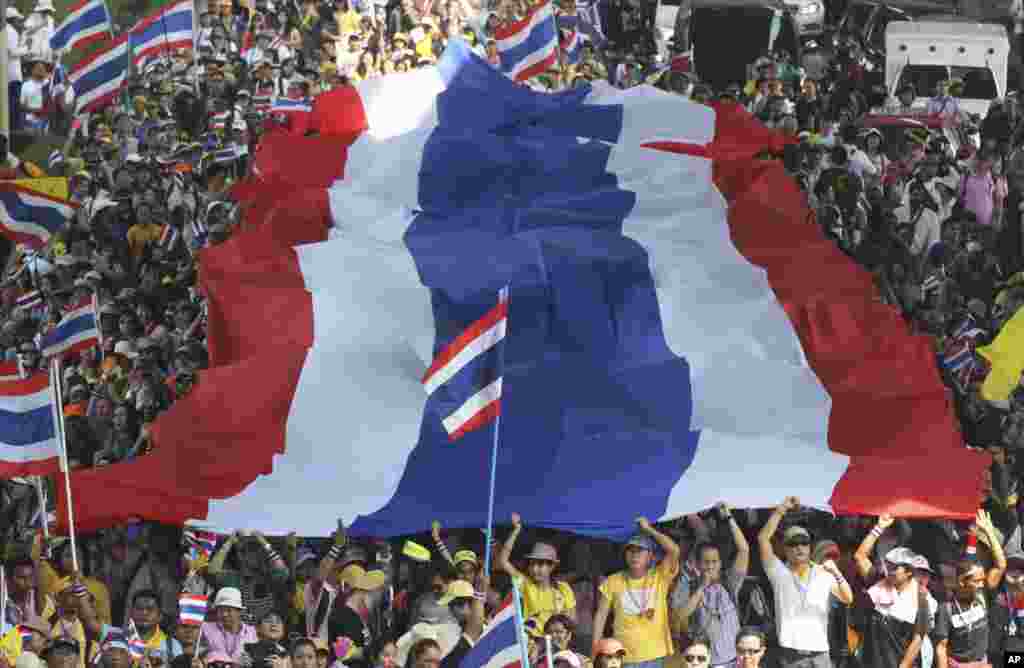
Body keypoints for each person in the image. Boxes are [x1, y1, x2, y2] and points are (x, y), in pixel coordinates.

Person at [757, 497, 853, 668]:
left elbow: (848, 598)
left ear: (809, 547)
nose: (799, 547)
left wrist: (837, 572)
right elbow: (763, 538)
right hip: (791, 654)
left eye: (804, 542)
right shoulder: (778, 572)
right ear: (785, 549)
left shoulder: (823, 572)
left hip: (820, 652)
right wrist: (781, 510)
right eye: (793, 543)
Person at [592, 517, 681, 668]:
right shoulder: (613, 580)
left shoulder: (660, 576)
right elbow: (601, 615)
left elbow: (674, 550)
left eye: (640, 551)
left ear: (650, 556)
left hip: (655, 654)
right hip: (622, 655)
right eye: (630, 551)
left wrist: (649, 530)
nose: (634, 555)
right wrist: (595, 647)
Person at [670, 502, 750, 667]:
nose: (710, 566)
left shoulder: (729, 582)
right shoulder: (689, 586)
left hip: (735, 661)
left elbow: (744, 550)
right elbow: (679, 616)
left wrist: (729, 517)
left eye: (714, 561)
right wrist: (701, 587)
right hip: (705, 663)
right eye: (706, 562)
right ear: (697, 564)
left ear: (720, 563)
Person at [498, 513, 576, 629]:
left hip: (556, 639)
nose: (535, 569)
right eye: (532, 564)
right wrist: (516, 531)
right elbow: (503, 561)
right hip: (530, 639)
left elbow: (571, 622)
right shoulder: (526, 584)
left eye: (540, 564)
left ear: (552, 566)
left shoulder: (563, 589)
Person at [198, 588, 257, 663]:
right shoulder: (205, 628)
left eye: (229, 610)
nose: (224, 614)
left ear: (239, 612)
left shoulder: (252, 632)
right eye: (221, 610)